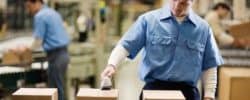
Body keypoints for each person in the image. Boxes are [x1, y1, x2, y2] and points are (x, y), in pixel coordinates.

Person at [101, 0, 224, 100]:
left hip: (188, 94)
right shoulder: (148, 20)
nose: (176, 6)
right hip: (154, 91)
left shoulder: (203, 28)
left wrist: (209, 96)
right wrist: (112, 65)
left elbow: (210, 66)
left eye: (182, 3)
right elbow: (125, 46)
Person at [25, 0, 70, 100]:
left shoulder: (40, 16)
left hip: (55, 57)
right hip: (64, 54)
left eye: (29, 6)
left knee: (55, 90)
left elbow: (38, 41)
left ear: (36, 2)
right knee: (60, 87)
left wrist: (26, 50)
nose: (28, 10)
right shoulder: (54, 13)